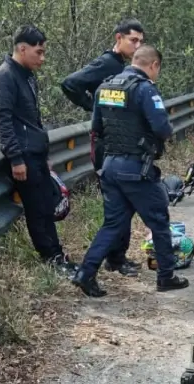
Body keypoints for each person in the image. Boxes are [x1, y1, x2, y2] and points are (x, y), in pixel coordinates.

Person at [71, 45, 190, 297]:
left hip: (110, 167)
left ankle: (85, 272)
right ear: (154, 65)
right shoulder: (145, 89)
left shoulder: (104, 87)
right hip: (136, 169)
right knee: (158, 220)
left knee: (113, 224)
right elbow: (162, 128)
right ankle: (166, 276)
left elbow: (96, 128)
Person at [59, 19, 146, 277]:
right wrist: (94, 108)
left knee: (124, 203)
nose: (138, 45)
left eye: (141, 41)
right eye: (133, 40)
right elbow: (70, 83)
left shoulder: (123, 67)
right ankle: (113, 258)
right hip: (106, 146)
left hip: (120, 144)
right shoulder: (107, 63)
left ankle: (117, 256)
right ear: (118, 38)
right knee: (118, 204)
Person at [0, 25, 77, 273]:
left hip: (36, 154)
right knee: (37, 210)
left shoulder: (27, 75)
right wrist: (16, 159)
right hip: (23, 157)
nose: (42, 58)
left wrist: (45, 155)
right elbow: (2, 120)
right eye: (39, 52)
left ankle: (57, 255)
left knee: (46, 206)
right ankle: (52, 259)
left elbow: (33, 120)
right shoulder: (5, 76)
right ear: (22, 48)